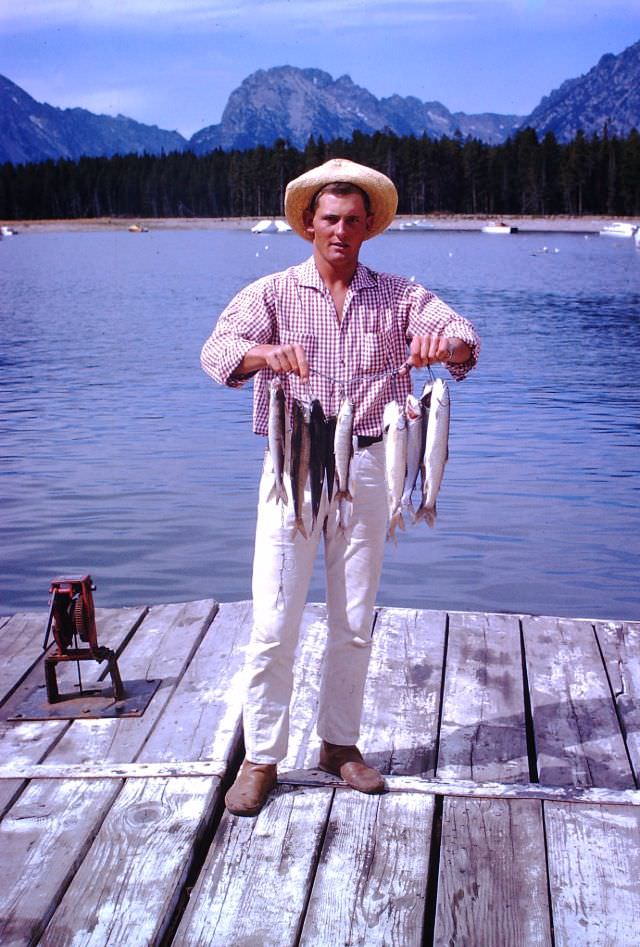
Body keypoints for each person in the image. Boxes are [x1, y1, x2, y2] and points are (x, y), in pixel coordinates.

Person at [201, 158, 480, 816]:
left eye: (355, 221)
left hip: (371, 466)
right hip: (294, 464)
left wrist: (448, 348)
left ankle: (338, 745)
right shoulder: (269, 293)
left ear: (369, 228)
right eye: (330, 219)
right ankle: (262, 756)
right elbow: (215, 353)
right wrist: (263, 355)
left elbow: (467, 341)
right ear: (307, 224)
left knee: (354, 620)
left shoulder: (401, 295)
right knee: (273, 620)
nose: (341, 231)